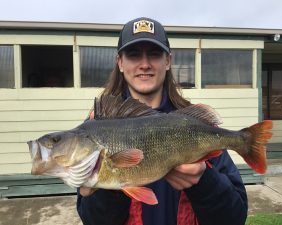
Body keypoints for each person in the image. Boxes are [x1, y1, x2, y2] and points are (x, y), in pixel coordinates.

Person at [76, 17, 248, 225]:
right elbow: (94, 221)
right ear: (120, 63)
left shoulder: (190, 124)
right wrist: (106, 186)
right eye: (133, 55)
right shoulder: (97, 128)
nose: (145, 64)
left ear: (168, 61)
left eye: (155, 54)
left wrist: (204, 182)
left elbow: (235, 218)